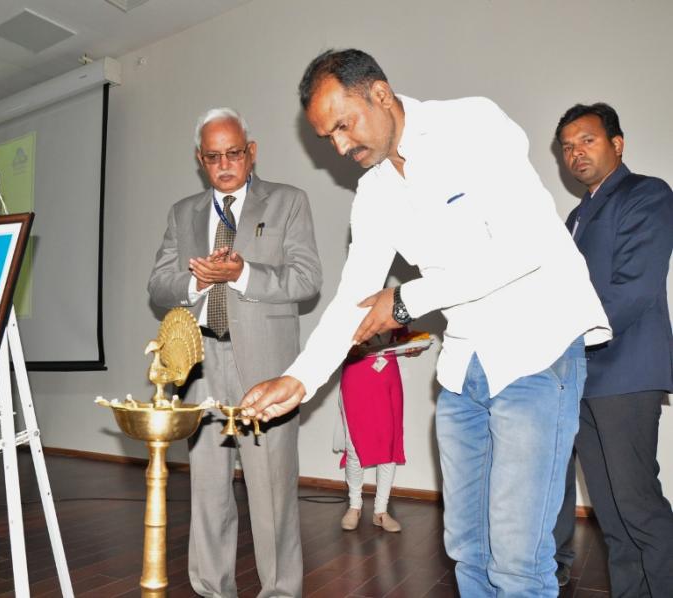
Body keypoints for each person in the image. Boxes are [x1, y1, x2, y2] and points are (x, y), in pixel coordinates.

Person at [239, 49, 612, 596]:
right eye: (328, 137)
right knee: (467, 549)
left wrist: (406, 299)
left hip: (536, 350)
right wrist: (298, 379)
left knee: (517, 560)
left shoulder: (472, 124)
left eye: (344, 125)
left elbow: (523, 246)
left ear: (380, 94)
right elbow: (354, 301)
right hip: (464, 367)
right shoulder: (374, 191)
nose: (340, 147)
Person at [147, 107, 322, 597]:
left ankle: (280, 592)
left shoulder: (288, 201)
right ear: (199, 159)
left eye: (233, 153)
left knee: (272, 492)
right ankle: (211, 589)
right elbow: (158, 285)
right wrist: (196, 282)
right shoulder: (183, 212)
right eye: (213, 156)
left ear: (252, 152)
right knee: (206, 489)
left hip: (266, 368)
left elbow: (307, 280)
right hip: (199, 363)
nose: (224, 164)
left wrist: (242, 274)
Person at [552, 102, 673, 597]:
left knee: (639, 507)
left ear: (617, 144)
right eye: (567, 147)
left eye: (587, 140)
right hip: (584, 379)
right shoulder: (576, 216)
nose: (575, 153)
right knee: (613, 516)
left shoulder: (647, 193)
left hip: (626, 374)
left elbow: (634, 288)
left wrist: (564, 337)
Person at [337, 336, 406, 534]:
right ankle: (355, 506)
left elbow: (403, 336)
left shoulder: (394, 313)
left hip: (388, 376)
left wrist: (411, 347)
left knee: (389, 445)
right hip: (356, 373)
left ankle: (381, 511)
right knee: (354, 446)